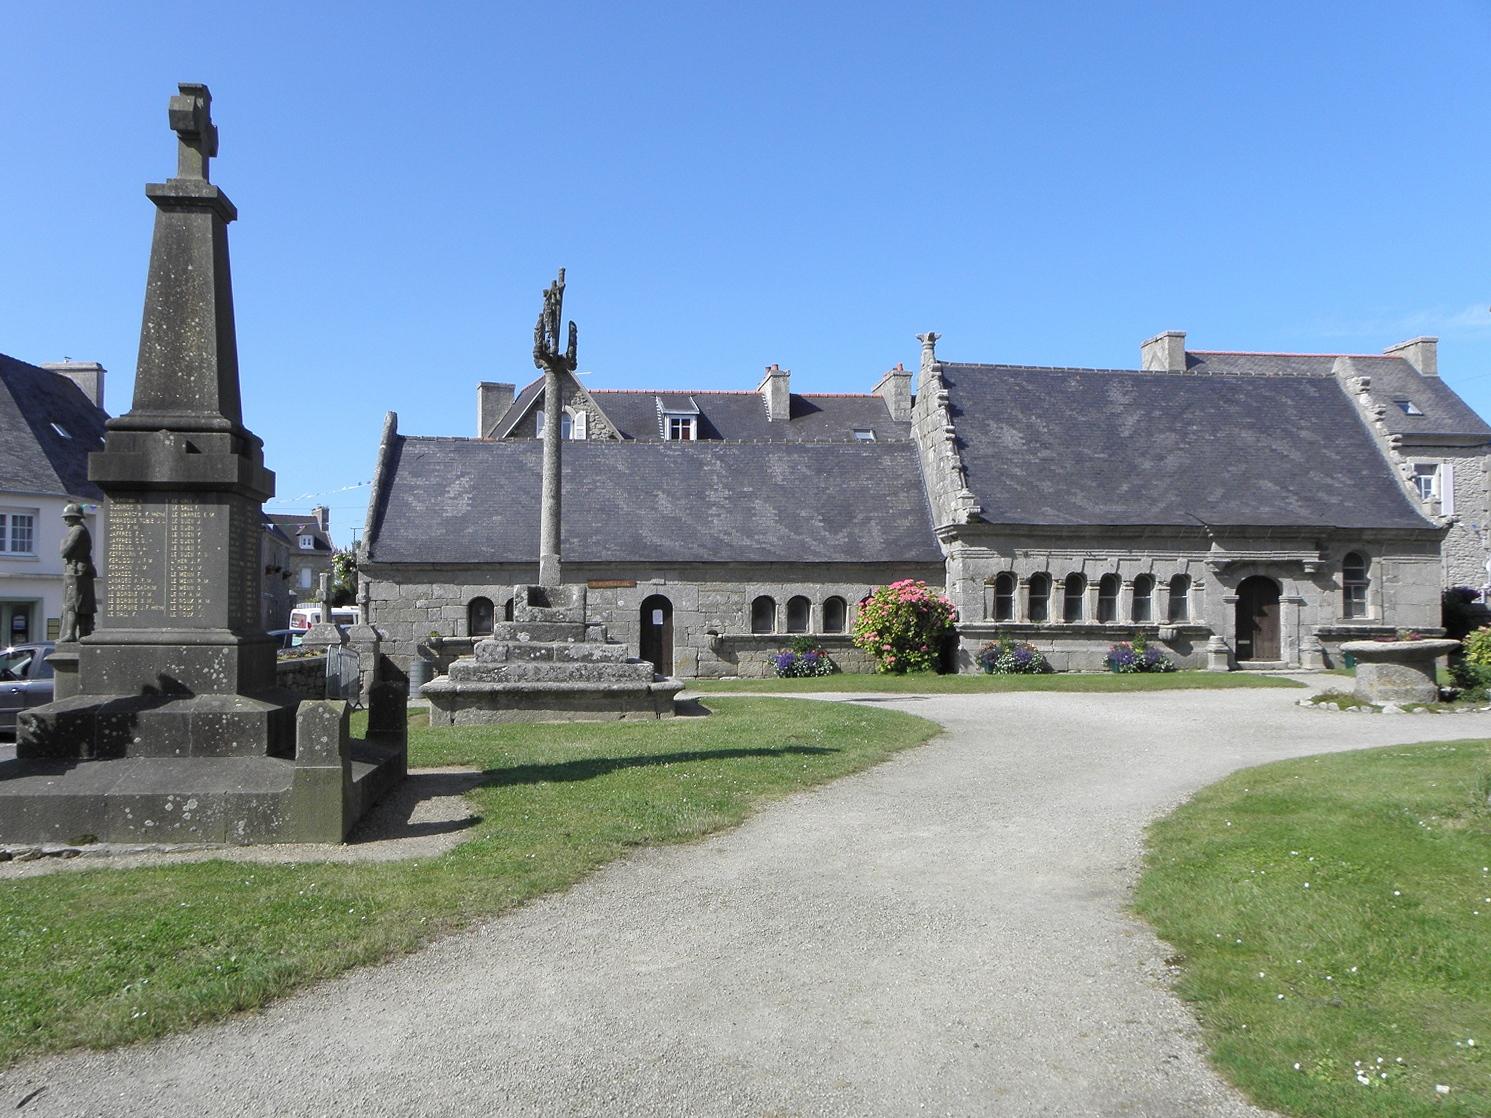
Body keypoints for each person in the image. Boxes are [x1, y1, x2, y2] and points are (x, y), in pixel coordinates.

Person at [59, 502, 96, 642]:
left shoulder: (77, 530)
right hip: (79, 570)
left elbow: (64, 551)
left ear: (75, 517)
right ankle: (83, 632)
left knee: (72, 604)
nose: (65, 520)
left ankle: (70, 633)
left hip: (76, 572)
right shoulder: (80, 529)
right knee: (81, 604)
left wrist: (62, 542)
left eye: (67, 517)